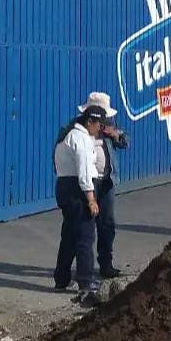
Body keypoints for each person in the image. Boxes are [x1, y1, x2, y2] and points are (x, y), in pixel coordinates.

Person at [55, 92, 128, 279]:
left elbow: (124, 142)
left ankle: (105, 264)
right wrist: (89, 197)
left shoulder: (107, 129)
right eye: (101, 119)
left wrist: (114, 135)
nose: (104, 123)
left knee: (107, 224)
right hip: (86, 182)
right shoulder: (77, 131)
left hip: (106, 179)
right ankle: (82, 278)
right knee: (83, 233)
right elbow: (68, 155)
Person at [53, 103, 108, 303]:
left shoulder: (67, 134)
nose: (100, 130)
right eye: (99, 125)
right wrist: (91, 199)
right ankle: (86, 281)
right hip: (77, 189)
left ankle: (61, 278)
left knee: (69, 235)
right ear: (90, 122)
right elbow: (84, 171)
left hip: (64, 185)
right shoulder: (82, 139)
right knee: (85, 236)